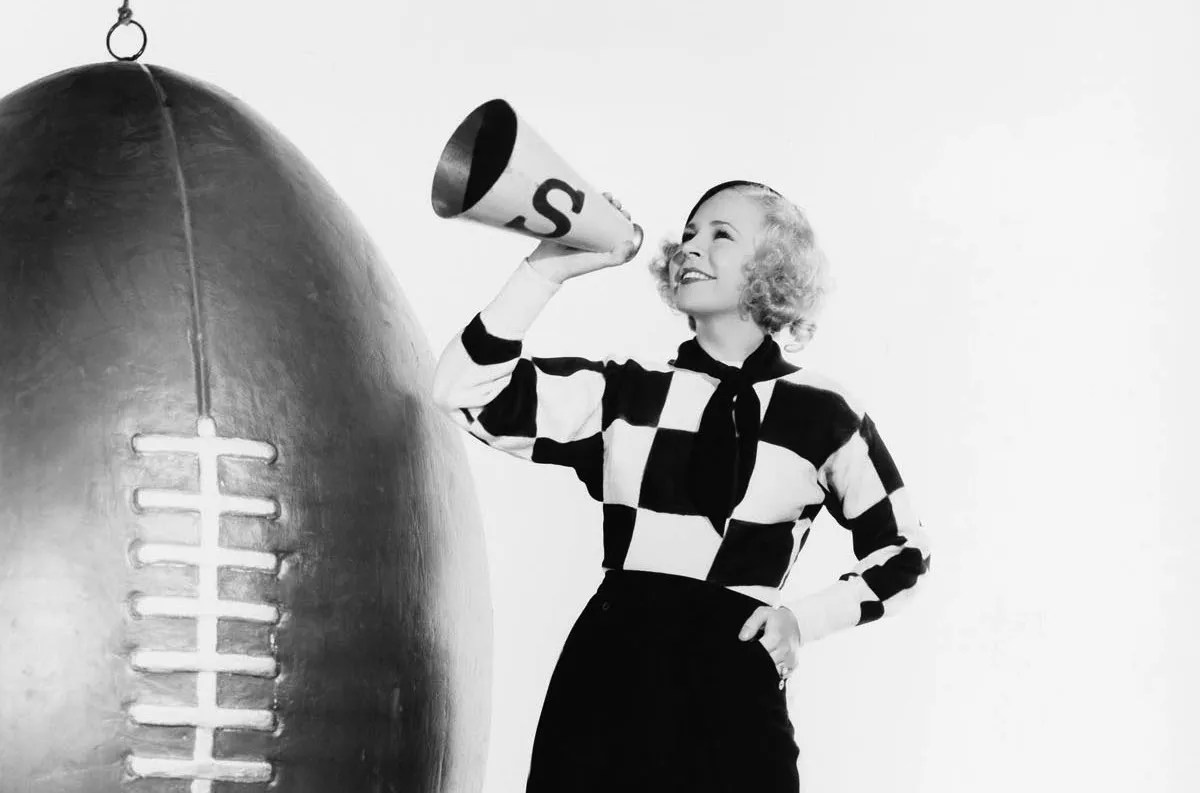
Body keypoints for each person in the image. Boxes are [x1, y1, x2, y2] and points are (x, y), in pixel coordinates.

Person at [431, 180, 931, 793]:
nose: (691, 247)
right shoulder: (625, 394)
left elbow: (905, 553)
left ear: (774, 265)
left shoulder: (822, 411)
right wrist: (547, 268)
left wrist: (802, 621)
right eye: (689, 234)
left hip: (735, 684)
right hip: (608, 679)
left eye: (722, 235)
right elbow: (462, 391)